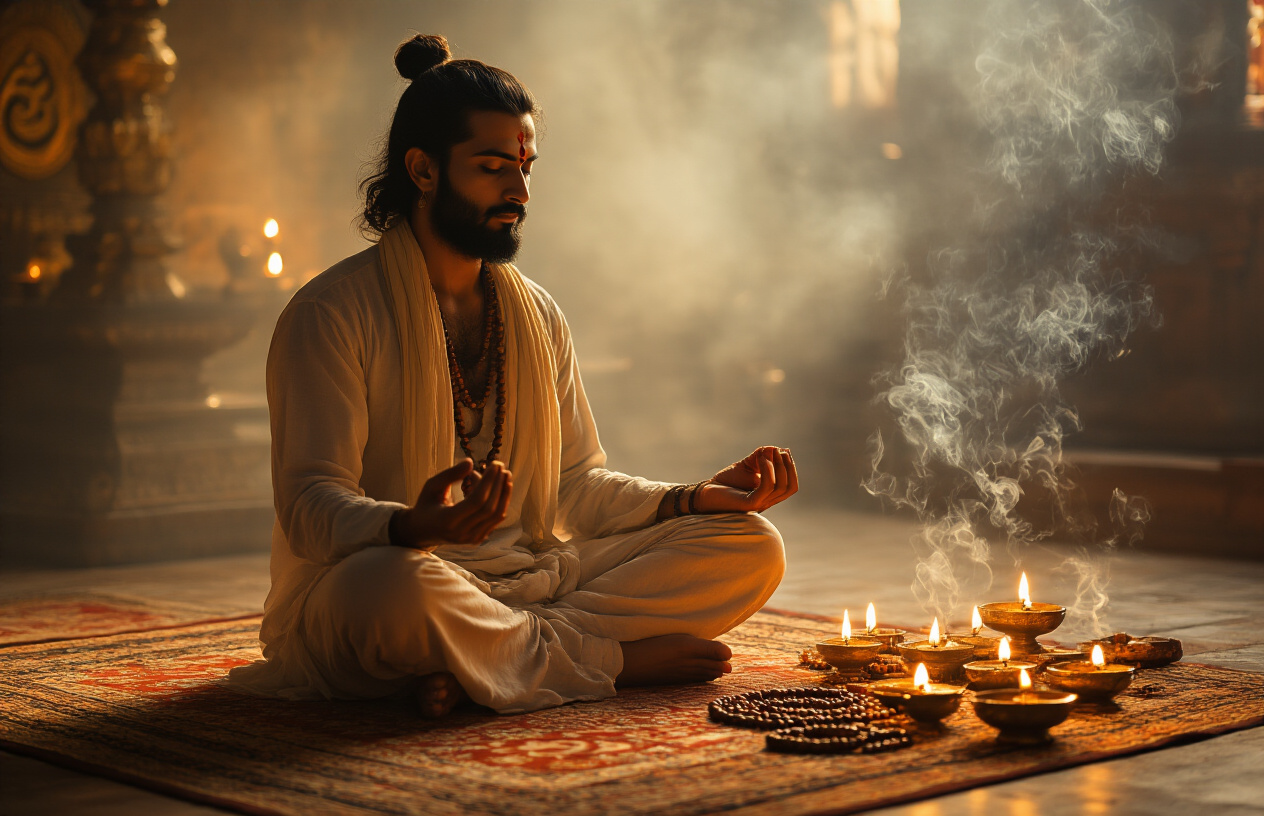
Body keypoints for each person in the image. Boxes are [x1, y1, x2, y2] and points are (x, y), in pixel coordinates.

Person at [227, 34, 797, 717]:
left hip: (533, 581)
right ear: (424, 170)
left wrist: (695, 498)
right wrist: (413, 524)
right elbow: (311, 507)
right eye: (494, 166)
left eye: (526, 166)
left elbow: (576, 486)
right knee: (388, 592)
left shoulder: (538, 315)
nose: (520, 191)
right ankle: (602, 662)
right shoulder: (332, 312)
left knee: (751, 545)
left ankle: (482, 663)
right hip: (403, 577)